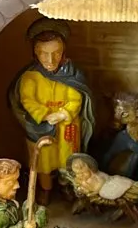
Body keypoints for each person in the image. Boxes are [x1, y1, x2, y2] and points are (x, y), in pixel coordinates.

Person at [8, 20, 94, 202]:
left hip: (66, 125)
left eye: (56, 53)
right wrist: (45, 115)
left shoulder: (71, 73)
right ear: (36, 53)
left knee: (67, 159)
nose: (50, 60)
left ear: (63, 52)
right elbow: (27, 100)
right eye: (44, 54)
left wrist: (64, 113)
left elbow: (76, 98)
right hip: (41, 127)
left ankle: (67, 186)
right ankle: (45, 188)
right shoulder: (30, 77)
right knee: (43, 161)